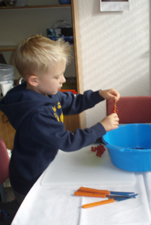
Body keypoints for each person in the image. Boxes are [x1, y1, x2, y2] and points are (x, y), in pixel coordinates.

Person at [0, 35, 120, 205]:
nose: (63, 80)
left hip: (44, 167)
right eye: (57, 77)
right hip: (31, 180)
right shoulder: (36, 114)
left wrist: (99, 95)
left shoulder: (46, 93)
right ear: (34, 80)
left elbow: (72, 102)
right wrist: (101, 127)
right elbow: (67, 142)